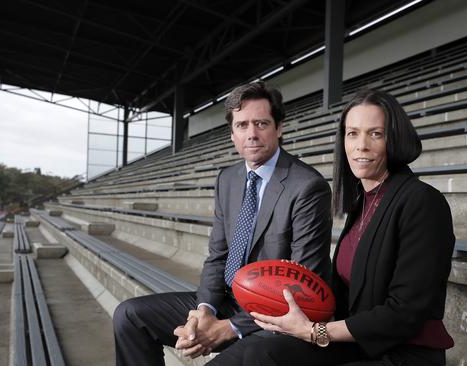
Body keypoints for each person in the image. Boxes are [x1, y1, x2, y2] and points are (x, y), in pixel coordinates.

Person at [112, 81, 333, 366]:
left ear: (279, 128)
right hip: (228, 301)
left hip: (278, 316)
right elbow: (218, 257)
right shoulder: (227, 179)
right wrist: (204, 311)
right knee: (130, 316)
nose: (251, 134)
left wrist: (228, 327)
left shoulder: (307, 186)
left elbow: (305, 287)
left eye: (261, 123)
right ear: (232, 135)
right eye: (242, 125)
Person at [247, 89, 456, 366]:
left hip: (403, 354)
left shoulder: (423, 202)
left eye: (376, 134)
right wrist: (296, 289)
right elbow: (348, 292)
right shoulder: (363, 202)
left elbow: (405, 312)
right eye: (352, 133)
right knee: (260, 354)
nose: (361, 146)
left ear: (395, 139)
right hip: (358, 345)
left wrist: (313, 332)